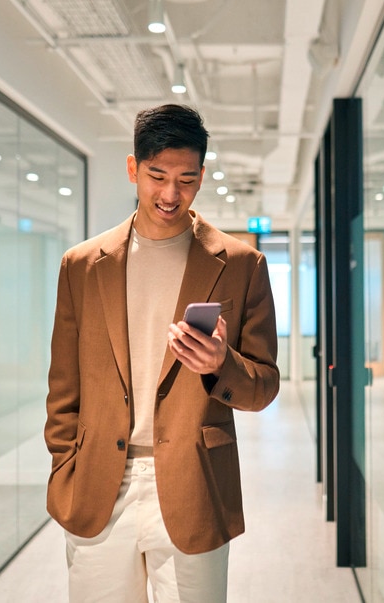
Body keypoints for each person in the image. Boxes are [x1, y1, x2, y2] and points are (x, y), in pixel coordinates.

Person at [44, 103, 280, 602]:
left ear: (201, 177)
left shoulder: (241, 264)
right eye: (157, 176)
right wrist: (65, 466)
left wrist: (222, 365)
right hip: (99, 486)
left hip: (195, 484)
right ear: (133, 169)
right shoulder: (83, 266)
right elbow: (63, 385)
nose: (171, 194)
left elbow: (264, 386)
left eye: (187, 180)